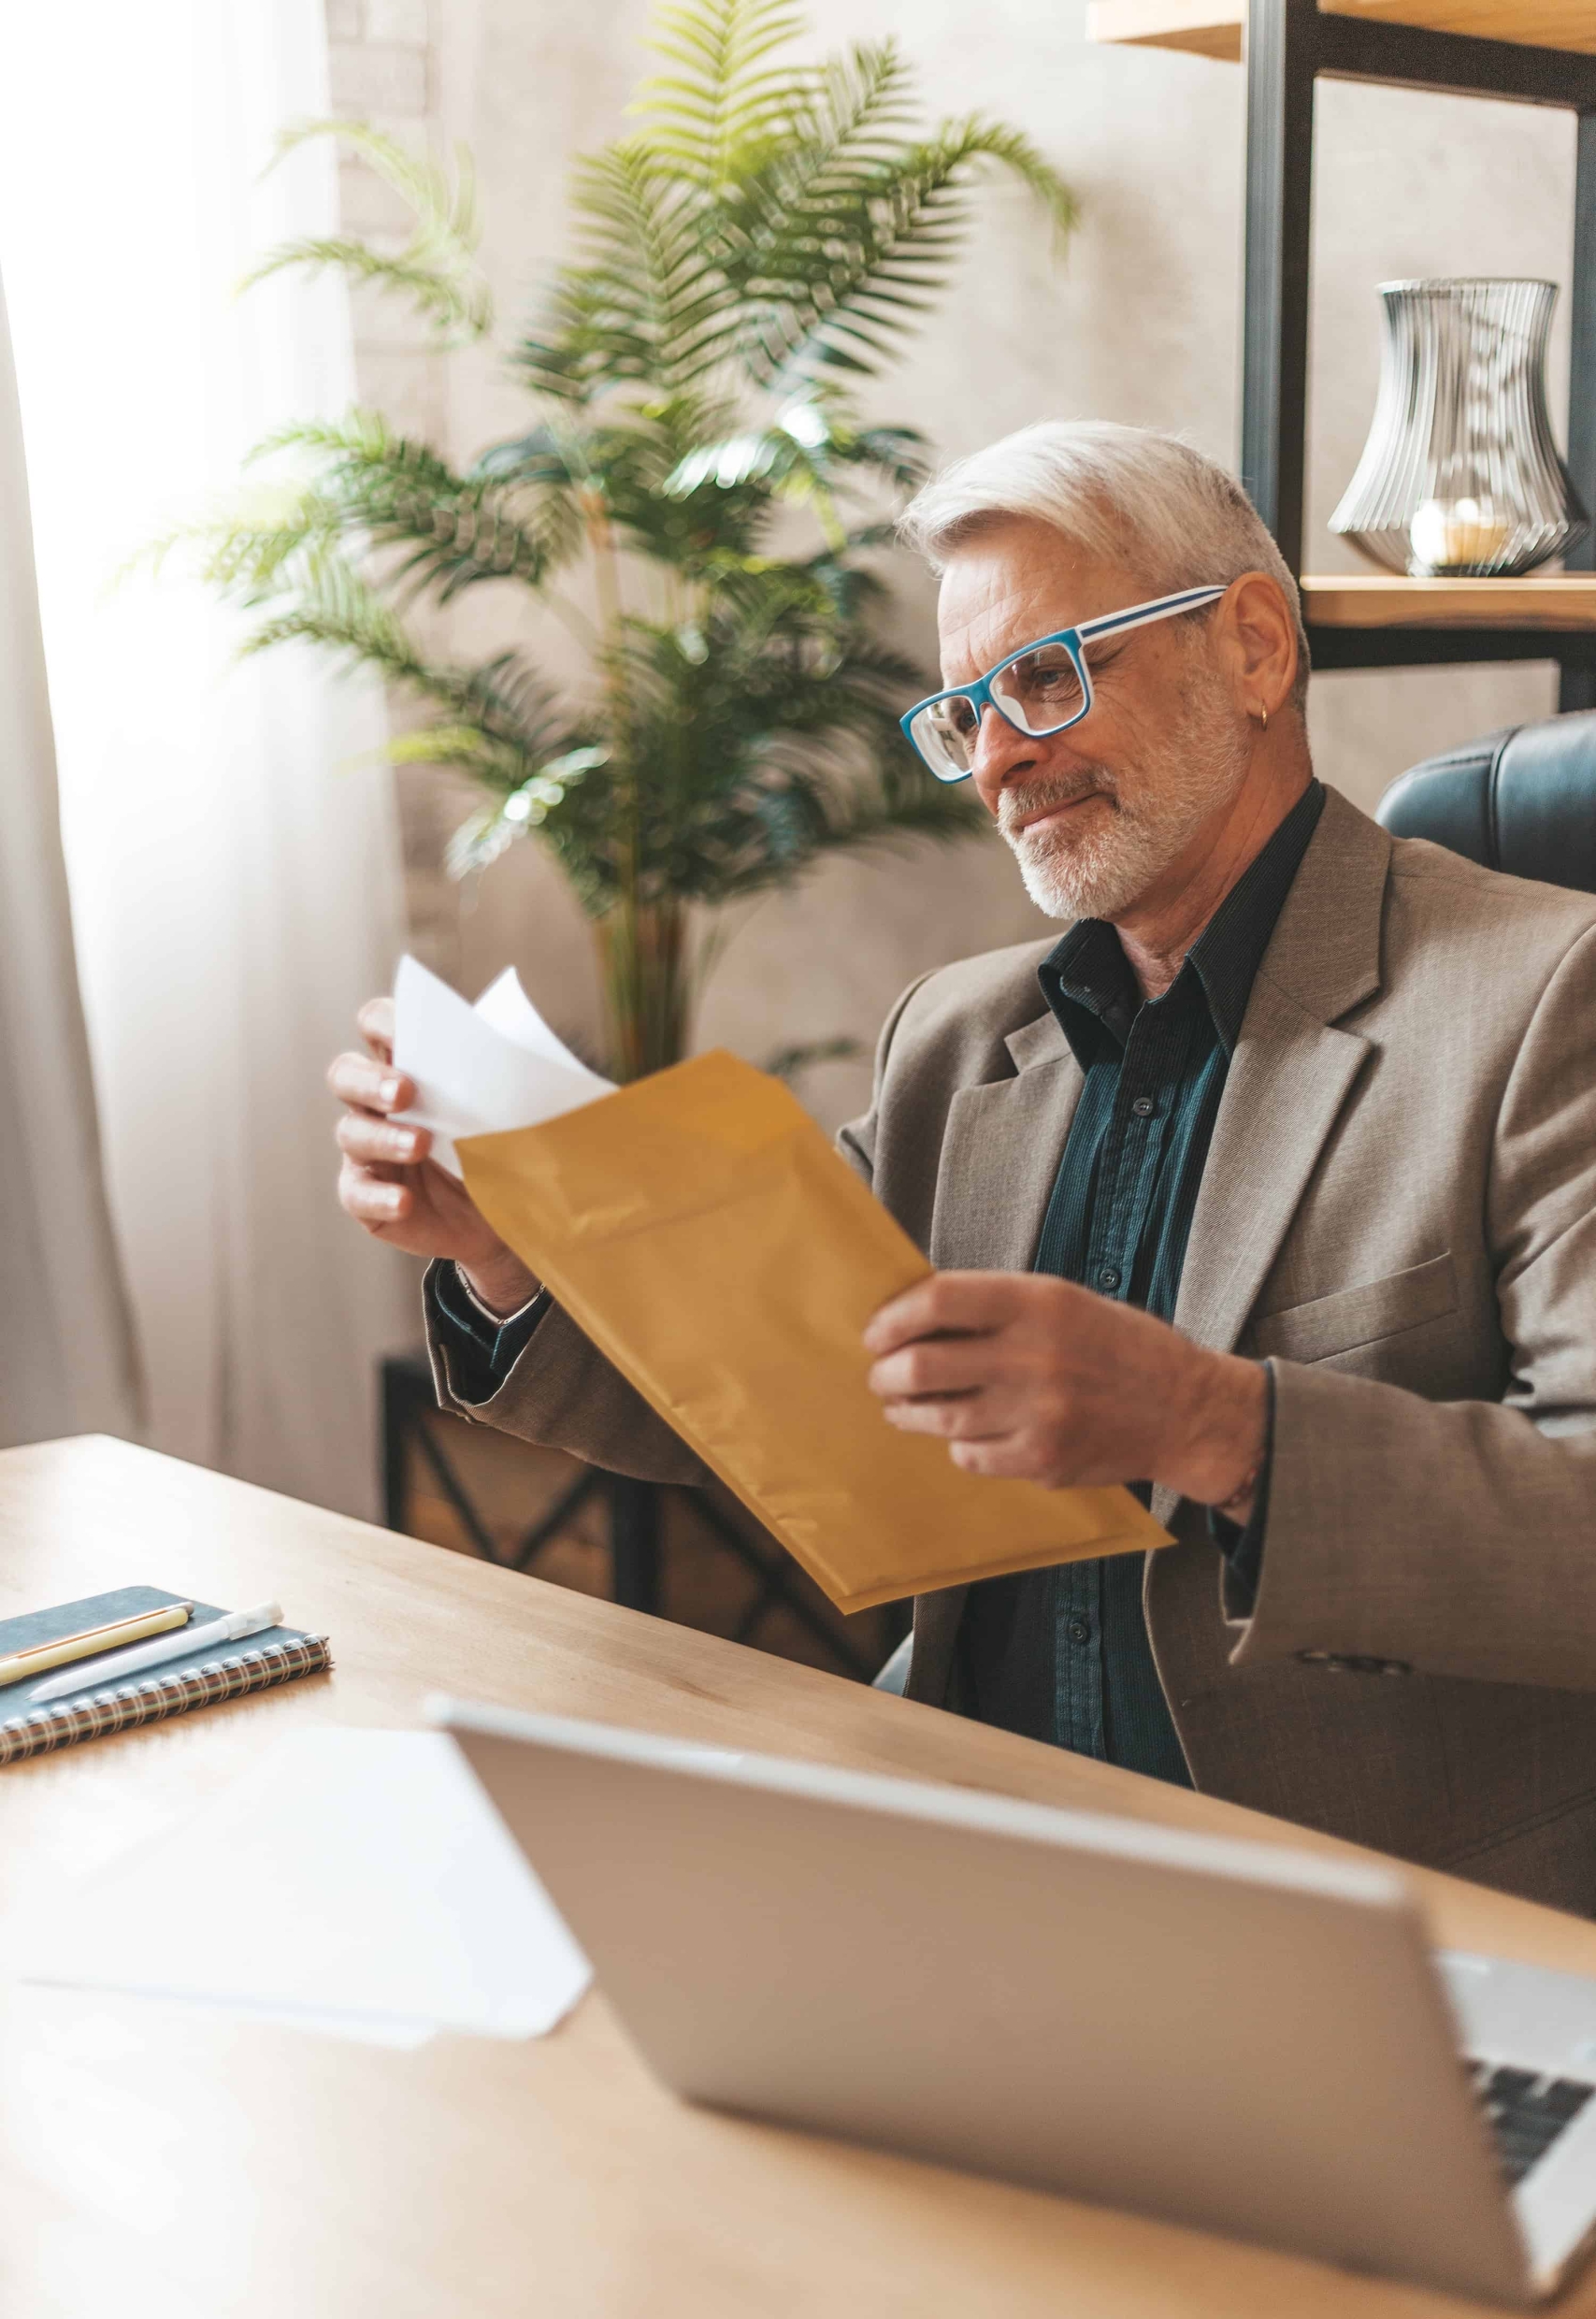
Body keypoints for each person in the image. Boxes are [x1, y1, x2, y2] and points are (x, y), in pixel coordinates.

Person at [330, 420, 1596, 1913]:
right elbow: (780, 1394)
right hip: (960, 1852)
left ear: (1255, 648)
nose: (998, 757)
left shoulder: (1544, 999)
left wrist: (1216, 1426)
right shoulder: (957, 1037)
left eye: (1048, 677)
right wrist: (510, 1248)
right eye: (962, 714)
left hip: (1354, 1912)